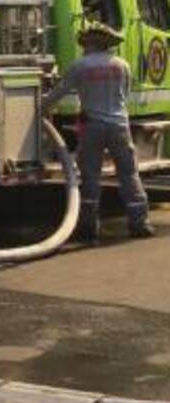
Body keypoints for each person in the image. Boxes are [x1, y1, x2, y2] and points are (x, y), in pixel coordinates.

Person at [42, 23, 155, 243]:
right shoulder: (122, 65)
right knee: (129, 174)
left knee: (91, 177)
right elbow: (125, 92)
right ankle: (140, 223)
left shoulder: (80, 65)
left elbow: (61, 91)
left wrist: (41, 107)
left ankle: (88, 229)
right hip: (120, 126)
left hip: (92, 126)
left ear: (90, 43)